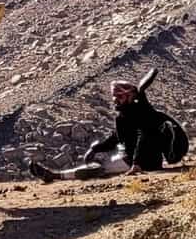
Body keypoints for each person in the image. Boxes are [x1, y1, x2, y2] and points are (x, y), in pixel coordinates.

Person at [28, 70, 184, 182]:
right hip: (128, 158)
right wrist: (95, 149)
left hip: (145, 161)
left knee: (97, 170)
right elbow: (117, 137)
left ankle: (55, 176)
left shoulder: (141, 113)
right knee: (100, 162)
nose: (116, 100)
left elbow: (143, 136)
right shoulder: (124, 116)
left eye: (120, 96)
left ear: (129, 96)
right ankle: (59, 174)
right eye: (115, 96)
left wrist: (136, 164)